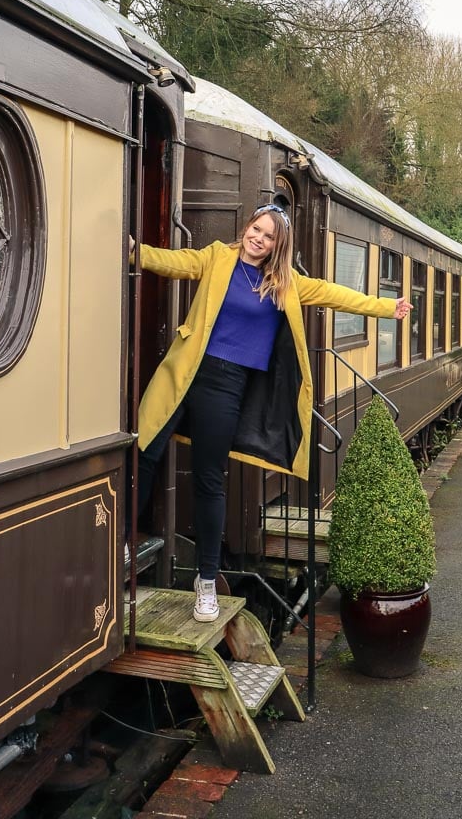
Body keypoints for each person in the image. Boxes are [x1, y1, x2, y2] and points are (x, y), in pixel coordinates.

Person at [132, 203, 412, 623]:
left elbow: (335, 293)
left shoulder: (285, 284)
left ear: (277, 246)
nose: (258, 238)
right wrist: (135, 250)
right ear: (247, 228)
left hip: (227, 386)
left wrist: (387, 308)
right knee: (145, 451)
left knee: (210, 480)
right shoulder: (216, 257)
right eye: (255, 229)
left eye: (268, 236)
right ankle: (124, 542)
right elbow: (173, 263)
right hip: (183, 371)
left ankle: (205, 581)